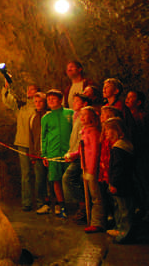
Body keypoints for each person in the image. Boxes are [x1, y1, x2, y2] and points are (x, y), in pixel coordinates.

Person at [125, 90, 149, 223]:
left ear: (139, 102)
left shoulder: (143, 117)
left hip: (142, 155)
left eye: (131, 97)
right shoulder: (130, 116)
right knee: (138, 183)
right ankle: (142, 208)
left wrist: (144, 150)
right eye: (127, 97)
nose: (127, 99)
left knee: (147, 182)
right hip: (134, 154)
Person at [103, 117, 136, 243]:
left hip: (122, 185)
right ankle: (120, 229)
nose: (106, 133)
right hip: (122, 183)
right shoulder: (120, 146)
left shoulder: (120, 149)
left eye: (108, 130)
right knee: (120, 208)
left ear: (117, 130)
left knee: (125, 210)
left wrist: (114, 183)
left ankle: (126, 233)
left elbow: (118, 168)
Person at [41, 89, 73, 218]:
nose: (51, 101)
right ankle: (62, 205)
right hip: (53, 152)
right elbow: (43, 137)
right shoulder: (46, 117)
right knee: (56, 180)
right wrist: (44, 154)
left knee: (71, 179)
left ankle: (78, 205)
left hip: (69, 152)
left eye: (53, 98)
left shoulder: (70, 113)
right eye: (48, 99)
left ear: (61, 100)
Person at [62, 93, 90, 224]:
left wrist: (75, 154)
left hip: (82, 156)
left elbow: (82, 140)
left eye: (77, 101)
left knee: (68, 178)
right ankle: (83, 205)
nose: (74, 103)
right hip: (75, 153)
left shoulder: (84, 118)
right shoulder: (75, 116)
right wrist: (70, 151)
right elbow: (74, 137)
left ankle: (84, 204)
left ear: (85, 104)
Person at [15, 85, 40, 211]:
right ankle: (27, 202)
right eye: (28, 89)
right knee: (26, 174)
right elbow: (8, 100)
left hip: (36, 145)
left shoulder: (39, 106)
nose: (29, 91)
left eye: (32, 89)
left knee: (39, 174)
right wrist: (6, 85)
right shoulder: (21, 107)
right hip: (22, 143)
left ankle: (41, 202)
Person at [30, 92, 50, 214]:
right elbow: (31, 137)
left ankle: (56, 203)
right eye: (36, 101)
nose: (38, 104)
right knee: (40, 180)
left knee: (52, 180)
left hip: (50, 153)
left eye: (40, 101)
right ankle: (41, 203)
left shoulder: (49, 115)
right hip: (38, 154)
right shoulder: (33, 118)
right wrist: (32, 154)